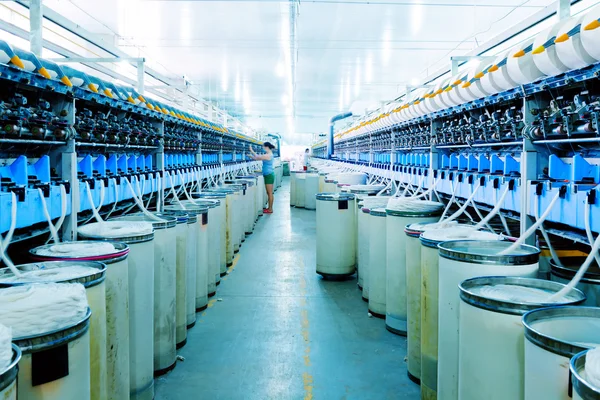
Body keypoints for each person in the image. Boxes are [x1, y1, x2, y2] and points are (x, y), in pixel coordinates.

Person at [249, 142, 275, 214]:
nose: (263, 148)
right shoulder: (268, 155)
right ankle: (269, 208)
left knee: (269, 193)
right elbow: (257, 158)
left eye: (263, 147)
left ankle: (270, 209)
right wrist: (251, 156)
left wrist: (252, 151)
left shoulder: (268, 155)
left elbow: (258, 157)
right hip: (268, 174)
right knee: (268, 192)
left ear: (266, 147)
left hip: (269, 175)